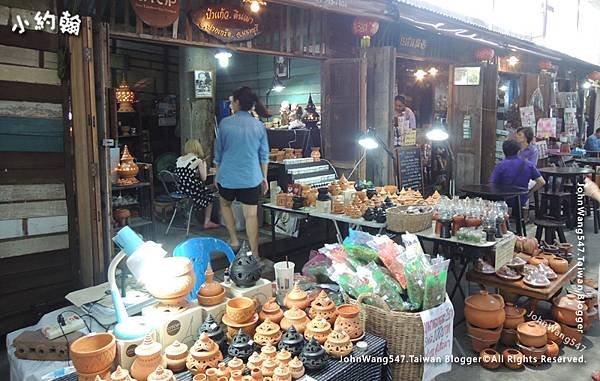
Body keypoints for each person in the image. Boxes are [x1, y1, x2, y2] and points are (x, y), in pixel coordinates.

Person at [214, 86, 270, 256]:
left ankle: (234, 239)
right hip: (251, 177)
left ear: (238, 102)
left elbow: (218, 154)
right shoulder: (259, 125)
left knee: (225, 204)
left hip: (227, 177)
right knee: (251, 216)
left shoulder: (225, 124)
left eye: (232, 102)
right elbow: (264, 155)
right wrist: (264, 178)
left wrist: (217, 174)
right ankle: (255, 253)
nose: (231, 105)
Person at [175, 139, 220, 229]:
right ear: (198, 148)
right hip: (191, 190)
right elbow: (204, 178)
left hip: (180, 189)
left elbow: (184, 174)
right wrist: (204, 165)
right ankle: (207, 222)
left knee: (200, 191)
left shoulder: (179, 159)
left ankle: (188, 220)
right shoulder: (198, 160)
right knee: (210, 196)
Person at [491, 140, 546, 211]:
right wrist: (529, 193)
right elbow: (541, 182)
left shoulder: (500, 166)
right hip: (521, 199)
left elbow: (492, 185)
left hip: (504, 200)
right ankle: (524, 217)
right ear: (518, 151)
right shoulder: (528, 164)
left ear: (504, 152)